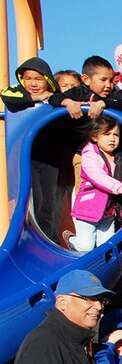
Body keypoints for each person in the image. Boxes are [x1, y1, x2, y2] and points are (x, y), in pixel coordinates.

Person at [1, 57, 61, 241]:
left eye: (38, 79)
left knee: (49, 203)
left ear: (48, 80)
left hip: (50, 158)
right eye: (28, 78)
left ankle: (50, 240)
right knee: (33, 200)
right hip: (28, 158)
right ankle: (31, 240)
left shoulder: (55, 97)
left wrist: (51, 99)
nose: (33, 83)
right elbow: (6, 95)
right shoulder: (18, 93)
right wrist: (35, 98)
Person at [70, 116, 122, 252]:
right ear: (94, 137)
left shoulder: (121, 158)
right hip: (88, 208)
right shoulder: (89, 155)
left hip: (108, 211)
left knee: (105, 246)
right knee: (85, 246)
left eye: (116, 135)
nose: (112, 139)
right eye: (107, 134)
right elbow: (98, 177)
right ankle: (71, 239)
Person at [49, 55, 122, 120]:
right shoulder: (79, 92)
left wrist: (103, 103)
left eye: (111, 80)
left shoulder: (113, 92)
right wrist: (68, 103)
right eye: (103, 80)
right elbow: (53, 98)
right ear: (86, 80)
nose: (108, 85)